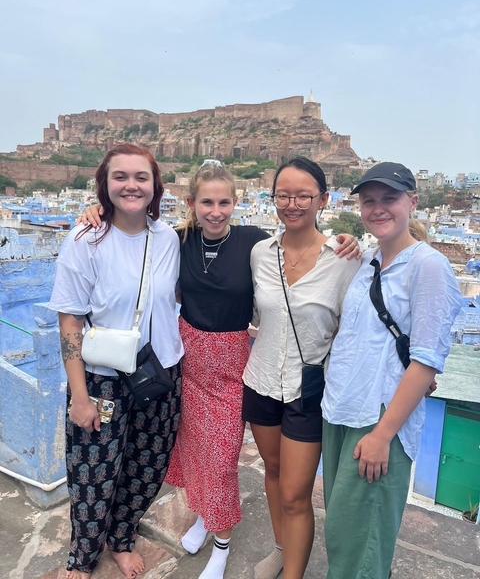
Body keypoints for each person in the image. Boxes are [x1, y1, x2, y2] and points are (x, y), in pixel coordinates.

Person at [81, 160, 359, 579]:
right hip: (186, 359)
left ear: (236, 202)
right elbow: (131, 234)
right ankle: (203, 518)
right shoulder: (175, 240)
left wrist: (348, 239)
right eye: (206, 202)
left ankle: (223, 544)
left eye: (224, 202)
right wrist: (98, 210)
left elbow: (303, 252)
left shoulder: (255, 242)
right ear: (191, 203)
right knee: (193, 450)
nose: (215, 211)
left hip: (233, 367)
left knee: (221, 457)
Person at [321, 162, 463, 579]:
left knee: (363, 544)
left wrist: (383, 435)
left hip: (380, 418)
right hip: (343, 409)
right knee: (344, 534)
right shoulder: (367, 263)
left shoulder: (428, 266)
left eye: (390, 199)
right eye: (370, 201)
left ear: (413, 203)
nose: (378, 208)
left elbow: (426, 361)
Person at [49, 144, 184, 579]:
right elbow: (69, 321)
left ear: (155, 185)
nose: (131, 185)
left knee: (147, 464)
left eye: (141, 177)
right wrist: (79, 397)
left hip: (159, 371)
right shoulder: (85, 239)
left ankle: (121, 537)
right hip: (102, 377)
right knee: (93, 472)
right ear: (104, 185)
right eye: (120, 177)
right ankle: (82, 557)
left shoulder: (167, 238)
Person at [242, 156, 361, 579]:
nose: (292, 204)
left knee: (296, 494)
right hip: (259, 381)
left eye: (303, 195)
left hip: (308, 391)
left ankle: (293, 573)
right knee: (272, 474)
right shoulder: (260, 253)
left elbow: (354, 330)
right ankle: (281, 548)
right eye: (283, 195)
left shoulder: (345, 260)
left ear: (323, 199)